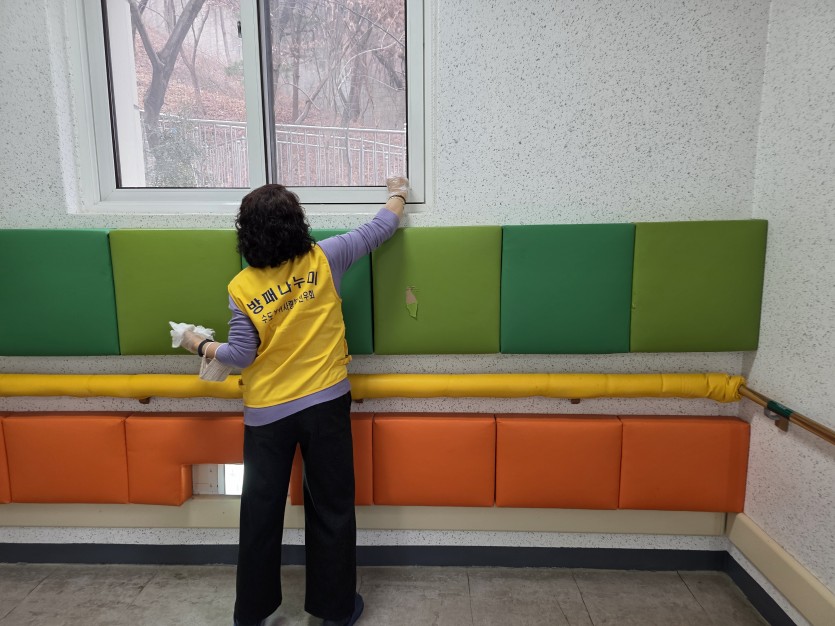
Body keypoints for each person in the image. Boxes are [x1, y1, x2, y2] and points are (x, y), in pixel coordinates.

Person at [178, 177, 409, 626]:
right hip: (326, 404)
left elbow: (241, 356)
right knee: (332, 508)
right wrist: (397, 193)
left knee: (260, 513)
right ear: (296, 224)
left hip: (267, 415)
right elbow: (381, 227)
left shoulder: (242, 286)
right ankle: (336, 612)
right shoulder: (326, 256)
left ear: (247, 233)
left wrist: (198, 344)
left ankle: (251, 614)